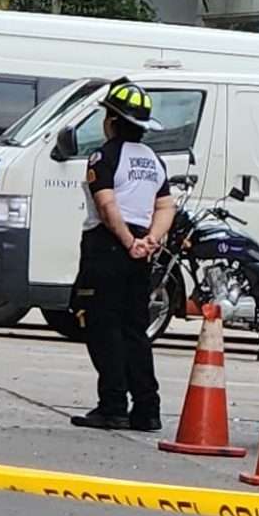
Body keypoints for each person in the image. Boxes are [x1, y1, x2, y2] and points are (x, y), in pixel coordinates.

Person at [67, 77, 175, 432]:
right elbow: (165, 207)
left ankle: (112, 404)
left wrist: (127, 241)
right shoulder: (154, 161)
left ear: (111, 120)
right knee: (134, 330)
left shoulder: (104, 155)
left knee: (103, 327)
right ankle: (147, 408)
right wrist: (149, 241)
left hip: (108, 247)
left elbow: (106, 203)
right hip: (141, 252)